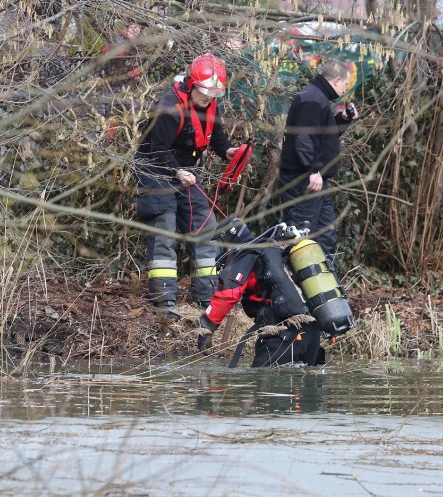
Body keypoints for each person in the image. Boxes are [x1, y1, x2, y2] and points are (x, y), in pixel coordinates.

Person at [134, 53, 239, 318]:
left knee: (204, 228)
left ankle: (206, 299)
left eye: (214, 93)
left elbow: (216, 136)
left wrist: (227, 151)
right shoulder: (169, 108)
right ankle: (164, 302)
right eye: (204, 92)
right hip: (157, 172)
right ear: (191, 85)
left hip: (187, 173)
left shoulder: (210, 105)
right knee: (164, 230)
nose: (208, 98)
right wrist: (177, 171)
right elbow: (157, 149)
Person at [196, 219, 325, 368]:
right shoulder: (274, 251)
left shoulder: (245, 256)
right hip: (312, 330)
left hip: (283, 329)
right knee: (304, 384)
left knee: (266, 381)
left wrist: (206, 327)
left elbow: (228, 294)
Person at [277, 59, 357, 261]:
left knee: (325, 236)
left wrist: (343, 120)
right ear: (337, 80)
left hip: (316, 181)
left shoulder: (318, 98)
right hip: (303, 180)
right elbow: (304, 140)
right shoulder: (312, 99)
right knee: (300, 237)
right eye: (345, 84)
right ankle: (293, 287)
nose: (345, 89)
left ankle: (325, 285)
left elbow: (322, 137)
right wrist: (312, 170)